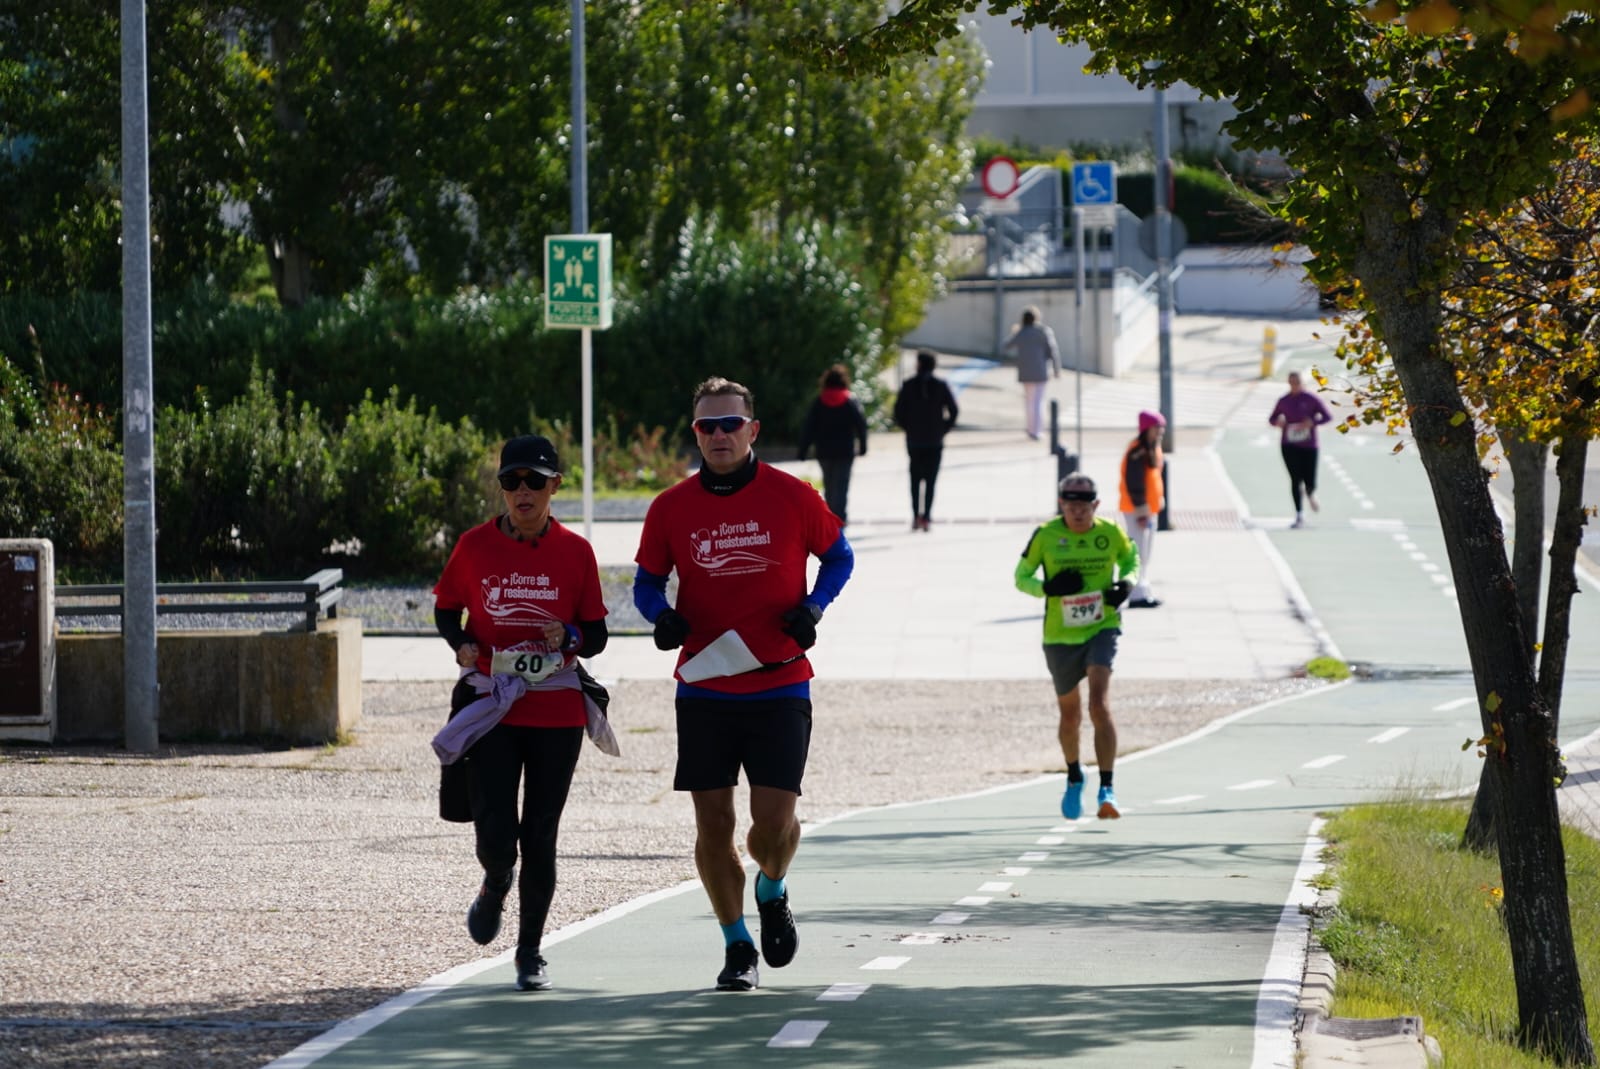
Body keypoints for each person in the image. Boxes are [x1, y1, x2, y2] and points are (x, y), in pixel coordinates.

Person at [633, 376, 854, 993]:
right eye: (707, 425)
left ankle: (773, 887)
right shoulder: (670, 508)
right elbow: (646, 584)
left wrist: (813, 609)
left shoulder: (793, 496)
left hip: (780, 683)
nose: (719, 435)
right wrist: (662, 616)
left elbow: (840, 557)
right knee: (713, 827)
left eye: (731, 424)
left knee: (773, 827)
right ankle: (736, 946)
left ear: (753, 430)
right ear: (695, 433)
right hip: (704, 686)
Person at [431, 434, 609, 992]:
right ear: (502, 488)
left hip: (555, 709)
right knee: (495, 830)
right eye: (512, 481)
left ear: (555, 486)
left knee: (540, 834)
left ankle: (530, 951)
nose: (522, 491)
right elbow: (445, 609)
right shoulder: (475, 545)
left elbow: (597, 634)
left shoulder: (576, 552)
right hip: (493, 707)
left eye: (535, 480)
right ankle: (494, 879)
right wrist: (459, 643)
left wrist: (571, 633)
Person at [1014, 472, 1140, 822]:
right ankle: (1074, 775)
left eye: (1084, 507)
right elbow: (1020, 577)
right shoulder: (1046, 535)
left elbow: (1131, 560)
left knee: (1099, 705)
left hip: (1102, 626)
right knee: (1070, 715)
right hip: (1059, 634)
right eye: (1071, 507)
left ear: (1095, 506)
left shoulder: (1110, 532)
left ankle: (1107, 788)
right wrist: (1048, 588)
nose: (1078, 514)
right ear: (1061, 505)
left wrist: (1126, 584)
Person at [892, 349, 959, 532]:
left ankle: (915, 516)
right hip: (934, 440)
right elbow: (953, 410)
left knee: (914, 479)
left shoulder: (908, 385)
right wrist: (943, 429)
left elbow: (897, 412)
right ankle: (927, 516)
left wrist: (908, 427)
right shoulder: (940, 385)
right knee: (931, 480)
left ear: (919, 364)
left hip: (914, 440)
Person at [795, 363, 868, 524]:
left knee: (829, 484)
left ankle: (830, 516)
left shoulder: (820, 401)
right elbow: (861, 425)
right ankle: (840, 517)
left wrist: (803, 450)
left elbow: (809, 427)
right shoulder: (850, 400)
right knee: (842, 484)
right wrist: (863, 446)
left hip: (824, 450)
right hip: (845, 451)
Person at [1268, 369, 1335, 528]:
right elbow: (1272, 418)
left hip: (1309, 445)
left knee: (1310, 480)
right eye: (1291, 382)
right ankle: (1299, 514)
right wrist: (1278, 423)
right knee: (1295, 479)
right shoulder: (1283, 400)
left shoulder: (1311, 399)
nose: (1294, 385)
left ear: (1302, 383)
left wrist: (1312, 422)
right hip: (1289, 444)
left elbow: (1327, 416)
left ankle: (1310, 492)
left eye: (1297, 382)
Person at [1118, 410, 1166, 609]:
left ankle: (1142, 587)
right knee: (1138, 552)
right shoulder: (1137, 452)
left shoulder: (1152, 448)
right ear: (1147, 429)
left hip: (1148, 509)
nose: (1161, 432)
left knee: (1145, 553)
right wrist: (1141, 512)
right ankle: (1136, 592)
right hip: (1138, 510)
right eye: (1157, 428)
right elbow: (1134, 483)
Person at [1002, 306, 1060, 440]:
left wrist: (1015, 332)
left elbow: (1006, 345)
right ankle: (1038, 430)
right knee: (1039, 401)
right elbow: (1053, 351)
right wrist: (1057, 369)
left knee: (1029, 402)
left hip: (1026, 372)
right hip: (1041, 371)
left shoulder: (1021, 332)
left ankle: (1030, 429)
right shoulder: (1044, 331)